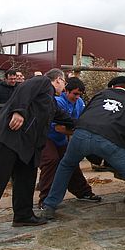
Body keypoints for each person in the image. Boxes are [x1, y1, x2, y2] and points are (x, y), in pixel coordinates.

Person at [0, 69, 74, 245]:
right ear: (58, 79)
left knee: (26, 176)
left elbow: (63, 117)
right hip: (9, 137)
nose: (64, 87)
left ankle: (23, 214)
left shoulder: (49, 101)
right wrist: (19, 111)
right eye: (64, 83)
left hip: (25, 145)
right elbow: (24, 89)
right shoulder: (42, 82)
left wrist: (87, 124)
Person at [41, 76, 125, 235]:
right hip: (110, 140)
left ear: (112, 86)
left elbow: (84, 116)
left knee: (66, 165)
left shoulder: (99, 95)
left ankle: (49, 207)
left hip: (81, 135)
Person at [36, 77, 99, 207]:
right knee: (51, 161)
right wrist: (82, 133)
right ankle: (45, 200)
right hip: (46, 137)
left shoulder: (80, 103)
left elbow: (82, 121)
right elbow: (59, 128)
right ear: (66, 91)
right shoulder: (58, 102)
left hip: (61, 140)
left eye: (79, 95)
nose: (76, 97)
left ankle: (83, 192)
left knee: (71, 161)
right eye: (74, 94)